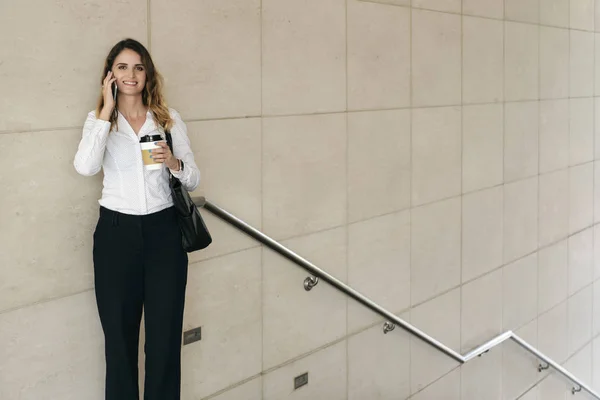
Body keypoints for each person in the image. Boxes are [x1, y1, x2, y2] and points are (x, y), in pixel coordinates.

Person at [73, 38, 200, 400]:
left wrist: (173, 163)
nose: (131, 75)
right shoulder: (100, 122)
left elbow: (193, 177)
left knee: (164, 339)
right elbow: (85, 167)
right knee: (119, 341)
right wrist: (107, 109)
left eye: (138, 67)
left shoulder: (168, 118)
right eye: (123, 67)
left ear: (148, 74)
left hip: (164, 235)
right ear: (110, 74)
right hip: (116, 236)